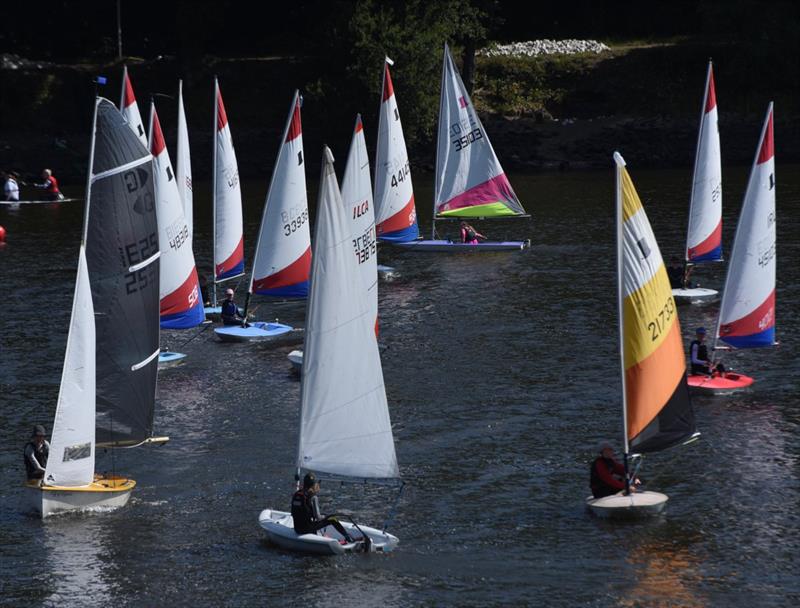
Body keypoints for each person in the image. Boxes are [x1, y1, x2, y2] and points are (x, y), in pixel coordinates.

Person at [291, 472, 356, 543]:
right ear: (314, 485)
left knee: (312, 521)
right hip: (307, 529)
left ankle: (315, 534)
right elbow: (318, 517)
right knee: (333, 519)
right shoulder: (313, 497)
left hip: (297, 529)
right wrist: (326, 516)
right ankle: (348, 537)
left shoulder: (297, 494)